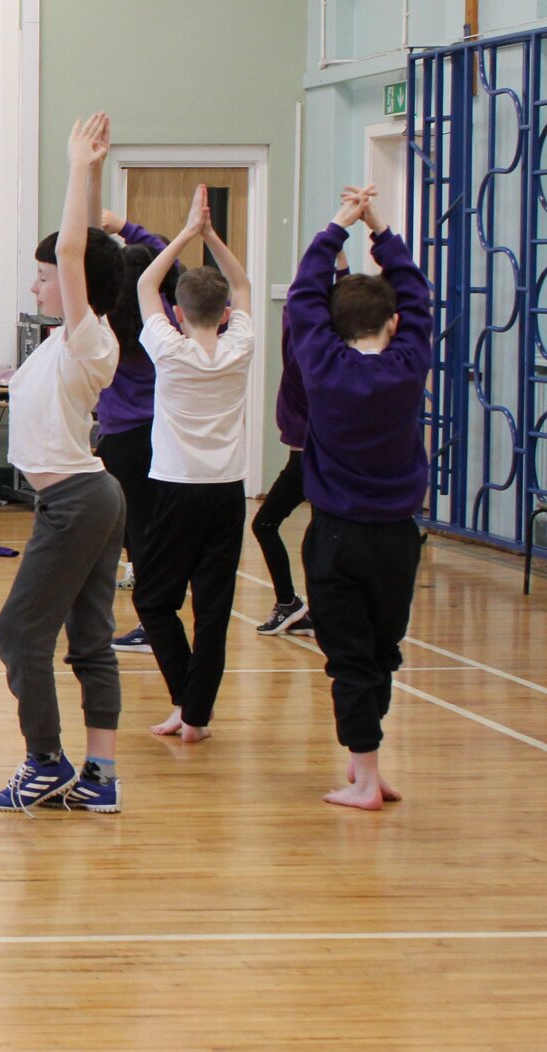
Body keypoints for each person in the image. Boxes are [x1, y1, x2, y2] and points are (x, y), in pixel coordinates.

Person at [0, 113, 126, 815]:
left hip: (76, 500)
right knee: (89, 637)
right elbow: (87, 244)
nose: (38, 286)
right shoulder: (62, 343)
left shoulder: (89, 338)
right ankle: (100, 775)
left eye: (44, 277)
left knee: (19, 633)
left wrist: (74, 166)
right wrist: (94, 169)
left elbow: (77, 252)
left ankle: (45, 760)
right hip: (85, 496)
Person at [287, 183, 431, 810]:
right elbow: (419, 298)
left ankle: (366, 777)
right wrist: (380, 229)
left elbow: (301, 299)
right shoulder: (408, 364)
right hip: (398, 537)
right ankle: (364, 765)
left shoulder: (322, 364)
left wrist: (338, 225)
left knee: (348, 658)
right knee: (381, 650)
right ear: (393, 323)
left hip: (339, 536)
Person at [131, 186, 257, 744]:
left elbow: (144, 284)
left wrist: (186, 233)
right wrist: (212, 237)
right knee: (212, 606)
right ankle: (195, 714)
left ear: (179, 314)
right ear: (226, 314)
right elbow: (247, 284)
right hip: (227, 492)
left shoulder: (170, 347)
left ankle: (187, 700)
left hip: (177, 490)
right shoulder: (240, 345)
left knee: (153, 600)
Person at [94, 208, 180, 652]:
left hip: (122, 438)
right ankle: (157, 614)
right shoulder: (162, 319)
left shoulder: (106, 319)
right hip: (159, 436)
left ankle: (152, 621)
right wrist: (127, 226)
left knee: (137, 536)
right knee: (154, 531)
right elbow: (172, 261)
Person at [251, 253, 346, 638]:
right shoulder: (339, 347)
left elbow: (301, 305)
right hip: (319, 455)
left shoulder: (304, 356)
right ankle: (313, 609)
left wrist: (330, 268)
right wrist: (340, 269)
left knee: (267, 524)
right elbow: (348, 307)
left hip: (309, 458)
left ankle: (295, 604)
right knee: (319, 532)